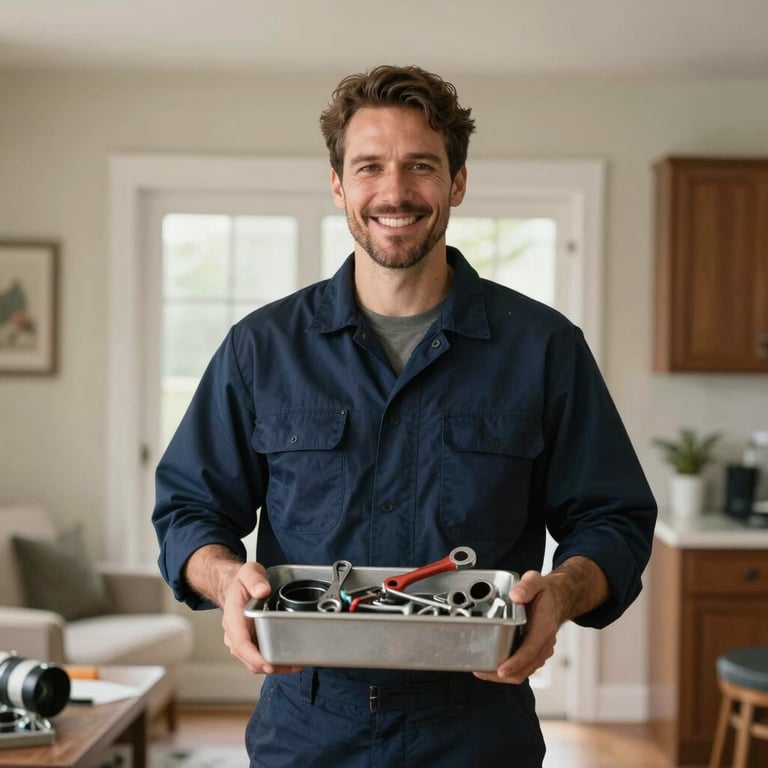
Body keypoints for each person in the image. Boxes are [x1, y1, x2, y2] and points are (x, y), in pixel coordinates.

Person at [153, 65, 657, 767]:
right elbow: (188, 511)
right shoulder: (261, 349)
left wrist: (563, 594)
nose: (395, 192)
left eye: (421, 165)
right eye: (370, 167)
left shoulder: (544, 349)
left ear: (457, 182)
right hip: (307, 727)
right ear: (339, 186)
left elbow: (614, 519)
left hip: (479, 726)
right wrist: (224, 578)